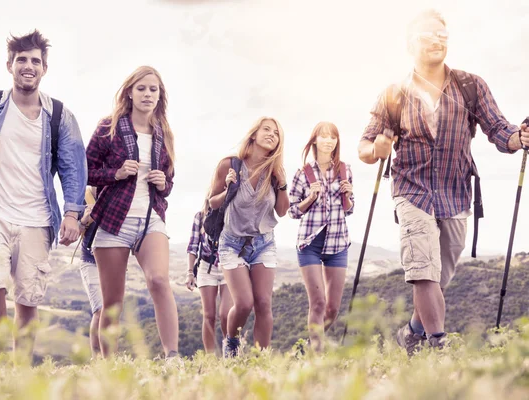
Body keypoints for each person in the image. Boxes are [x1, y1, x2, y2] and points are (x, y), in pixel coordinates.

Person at [358, 10, 529, 354]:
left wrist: (520, 138)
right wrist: (376, 148)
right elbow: (364, 147)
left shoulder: (470, 86)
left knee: (440, 275)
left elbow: (498, 129)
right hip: (411, 191)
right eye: (428, 35)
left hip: (456, 194)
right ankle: (438, 346)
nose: (437, 41)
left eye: (442, 35)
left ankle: (411, 332)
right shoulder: (394, 94)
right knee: (423, 270)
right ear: (410, 44)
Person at [0, 29, 86, 357]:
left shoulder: (60, 116)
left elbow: (73, 166)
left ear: (44, 68)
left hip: (37, 217)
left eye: (35, 60)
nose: (28, 65)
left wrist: (72, 213)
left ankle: (19, 375)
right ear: (9, 65)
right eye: (21, 59)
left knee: (27, 298)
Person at [85, 66, 178, 359]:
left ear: (160, 95)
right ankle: (109, 367)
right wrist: (116, 173)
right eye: (142, 88)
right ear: (129, 92)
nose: (148, 94)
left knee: (159, 281)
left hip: (151, 219)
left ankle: (172, 357)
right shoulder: (108, 127)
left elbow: (169, 180)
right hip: (113, 222)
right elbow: (86, 171)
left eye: (153, 89)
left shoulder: (164, 133)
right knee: (112, 303)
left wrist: (163, 182)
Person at [208, 117, 289, 357]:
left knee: (263, 303)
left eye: (276, 133)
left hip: (263, 243)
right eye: (267, 129)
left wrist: (283, 184)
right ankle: (231, 344)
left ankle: (261, 359)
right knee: (243, 303)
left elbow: (283, 211)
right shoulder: (230, 165)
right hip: (231, 243)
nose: (272, 134)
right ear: (254, 134)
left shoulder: (275, 173)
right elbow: (212, 202)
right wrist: (228, 189)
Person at [288, 122, 354, 351]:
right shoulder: (302, 174)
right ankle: (316, 358)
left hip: (337, 243)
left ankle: (312, 343)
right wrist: (310, 198)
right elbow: (292, 211)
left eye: (333, 137)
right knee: (318, 303)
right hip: (310, 244)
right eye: (323, 136)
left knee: (332, 309)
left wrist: (349, 195)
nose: (329, 141)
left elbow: (349, 209)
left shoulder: (345, 170)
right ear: (314, 140)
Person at [185, 192, 233, 354]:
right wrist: (190, 272)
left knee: (226, 313)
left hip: (228, 266)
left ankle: (230, 353)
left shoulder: (230, 214)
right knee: (209, 315)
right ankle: (210, 358)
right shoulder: (200, 217)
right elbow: (193, 247)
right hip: (207, 267)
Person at [78, 186, 102, 358]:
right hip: (90, 260)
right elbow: (71, 233)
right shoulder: (83, 196)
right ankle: (97, 357)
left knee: (112, 311)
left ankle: (110, 358)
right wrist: (84, 219)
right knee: (100, 310)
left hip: (113, 261)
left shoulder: (117, 193)